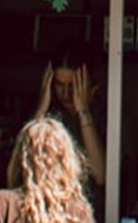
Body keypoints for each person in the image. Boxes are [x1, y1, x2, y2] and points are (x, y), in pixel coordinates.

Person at [32, 50, 105, 204]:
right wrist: (41, 109)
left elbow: (101, 175)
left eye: (72, 85)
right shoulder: (52, 116)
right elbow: (24, 163)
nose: (66, 93)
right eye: (59, 85)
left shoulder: (104, 114)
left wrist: (83, 111)